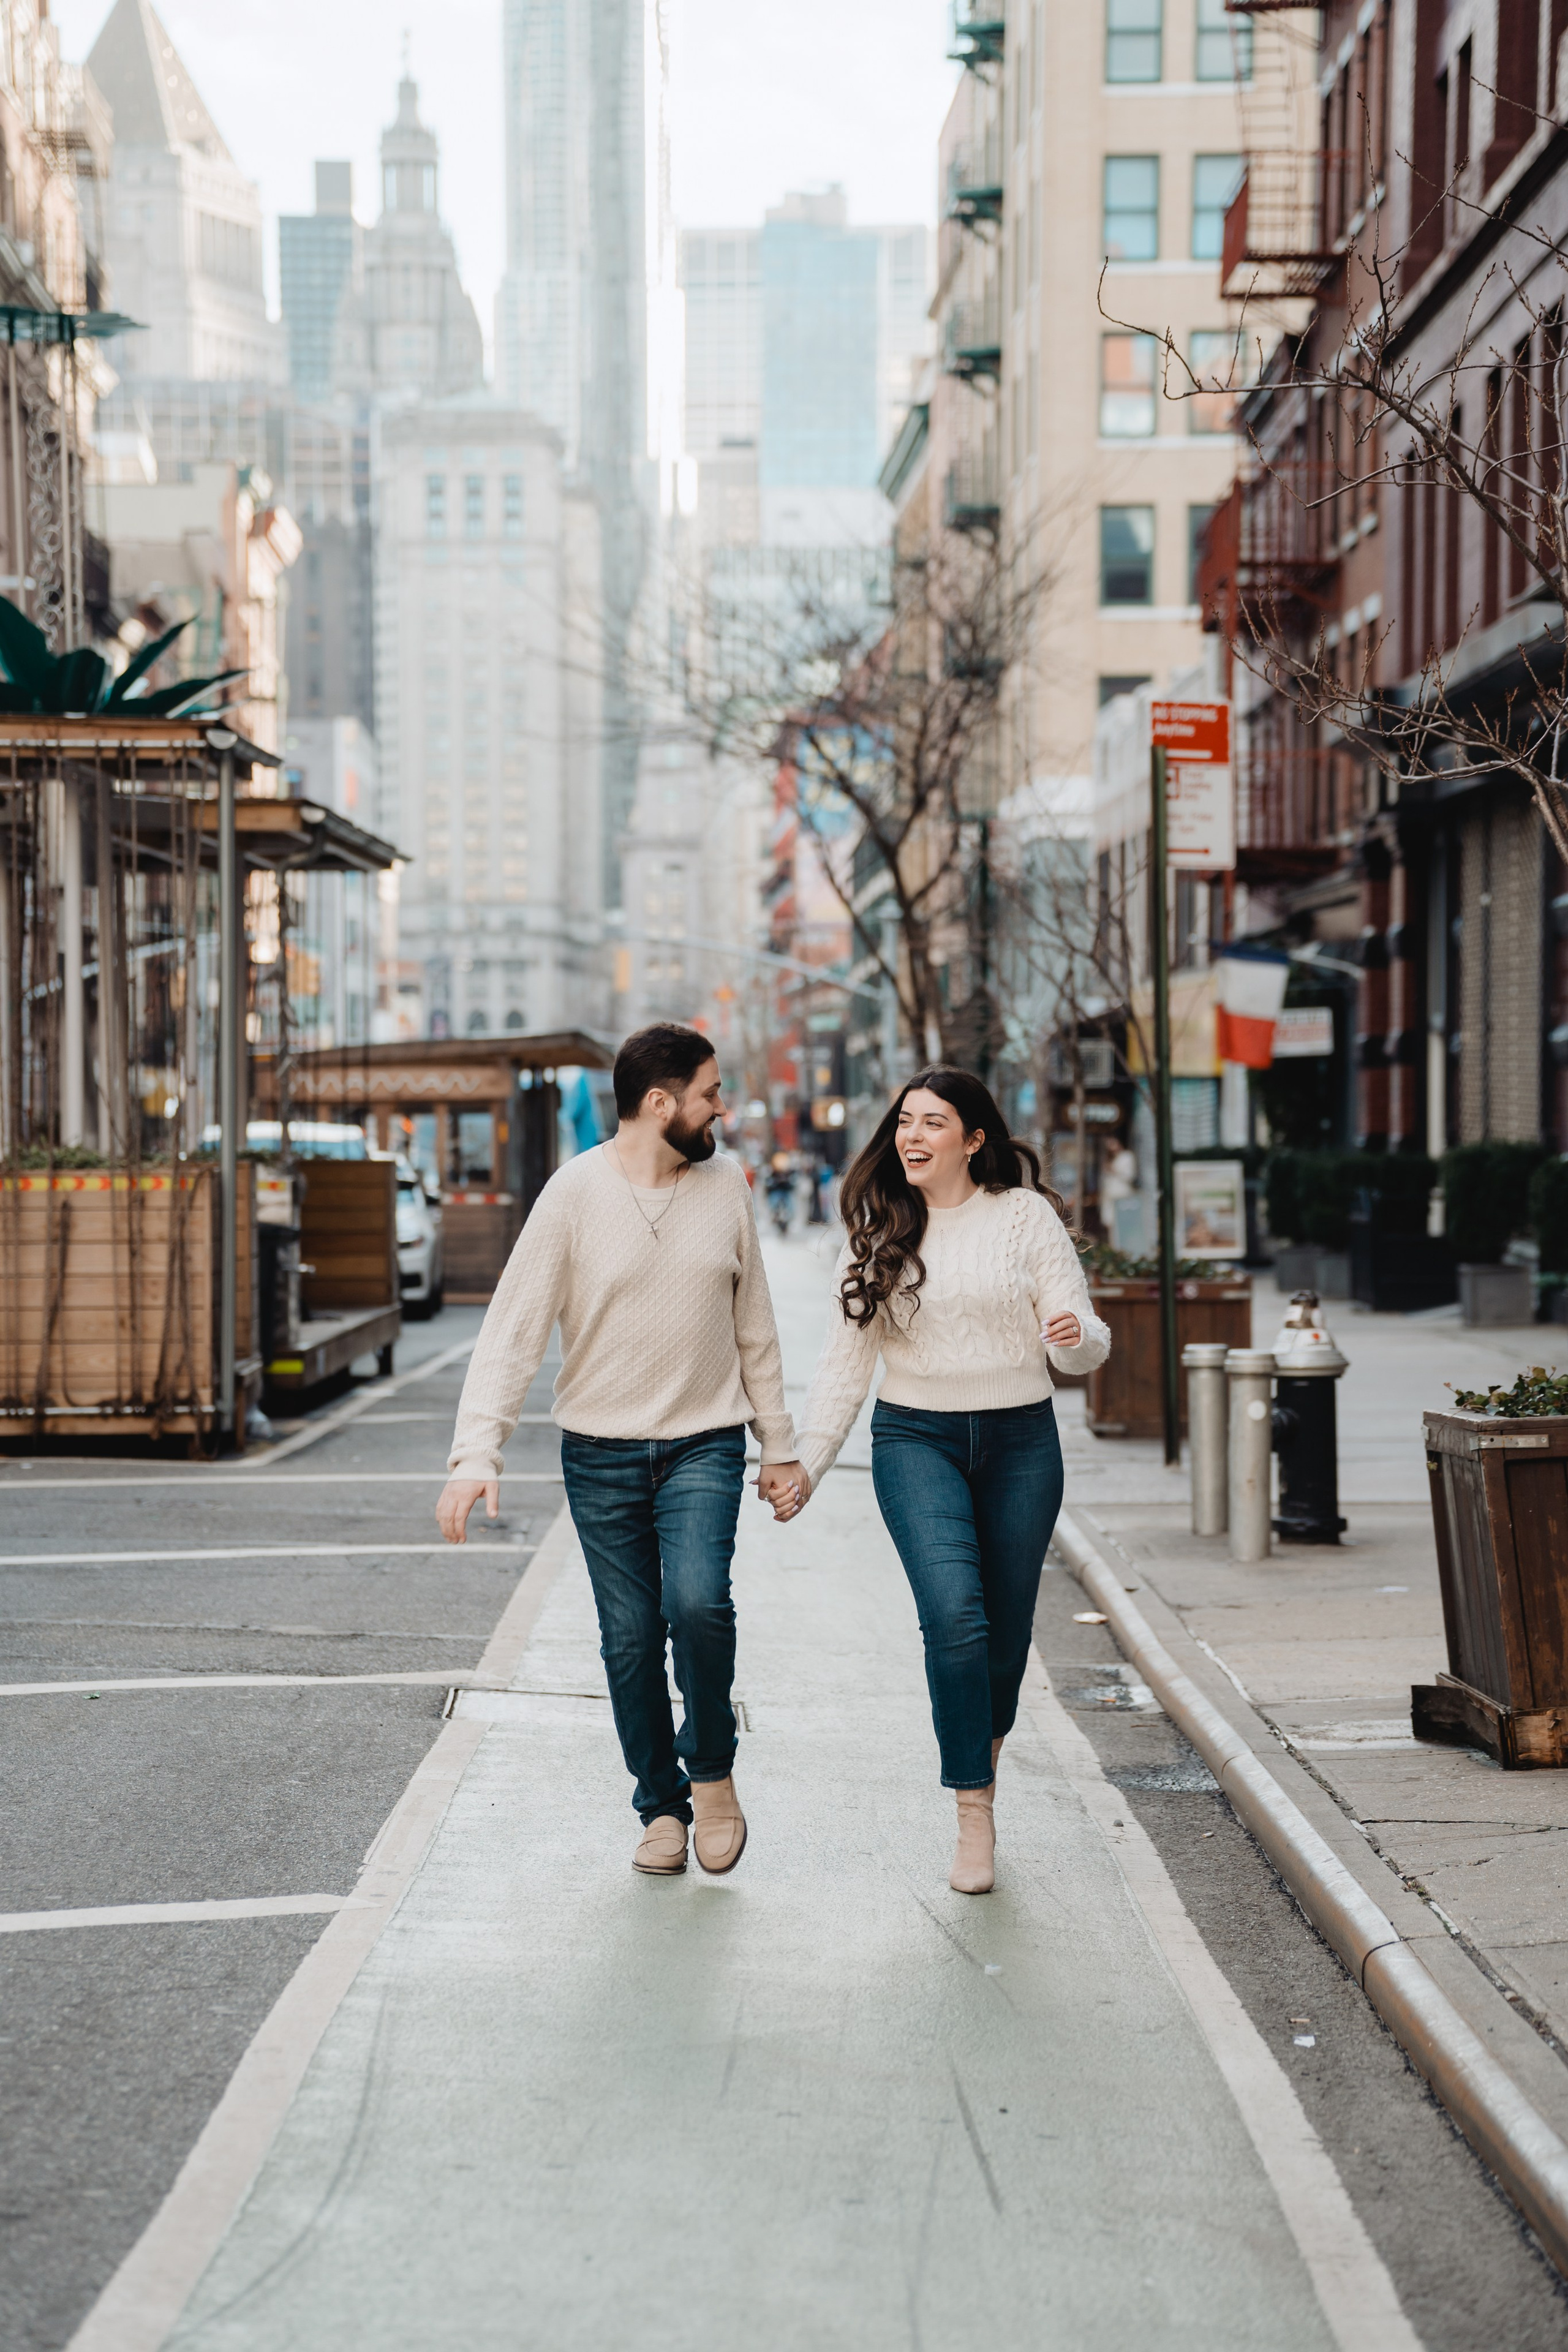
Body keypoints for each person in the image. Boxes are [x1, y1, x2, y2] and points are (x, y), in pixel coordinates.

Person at [437, 1025, 810, 1878]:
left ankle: (711, 1772)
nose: (723, 1107)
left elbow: (755, 1328)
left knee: (699, 1606)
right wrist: (475, 1454)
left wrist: (779, 1447)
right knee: (632, 1637)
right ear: (660, 1102)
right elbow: (514, 1331)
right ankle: (660, 1806)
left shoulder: (727, 1188)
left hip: (703, 1444)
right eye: (711, 1093)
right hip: (600, 1453)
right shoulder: (572, 1196)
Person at [794, 1067, 1110, 1896]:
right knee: (955, 1619)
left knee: (1005, 1638)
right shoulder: (878, 1228)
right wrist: (807, 1464)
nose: (912, 1136)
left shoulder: (1024, 1218)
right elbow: (843, 1363)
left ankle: (982, 1745)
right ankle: (975, 1809)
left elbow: (1081, 1341)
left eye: (934, 1122)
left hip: (1021, 1443)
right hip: (915, 1440)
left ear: (973, 1140)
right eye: (905, 1121)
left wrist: (1076, 1337)